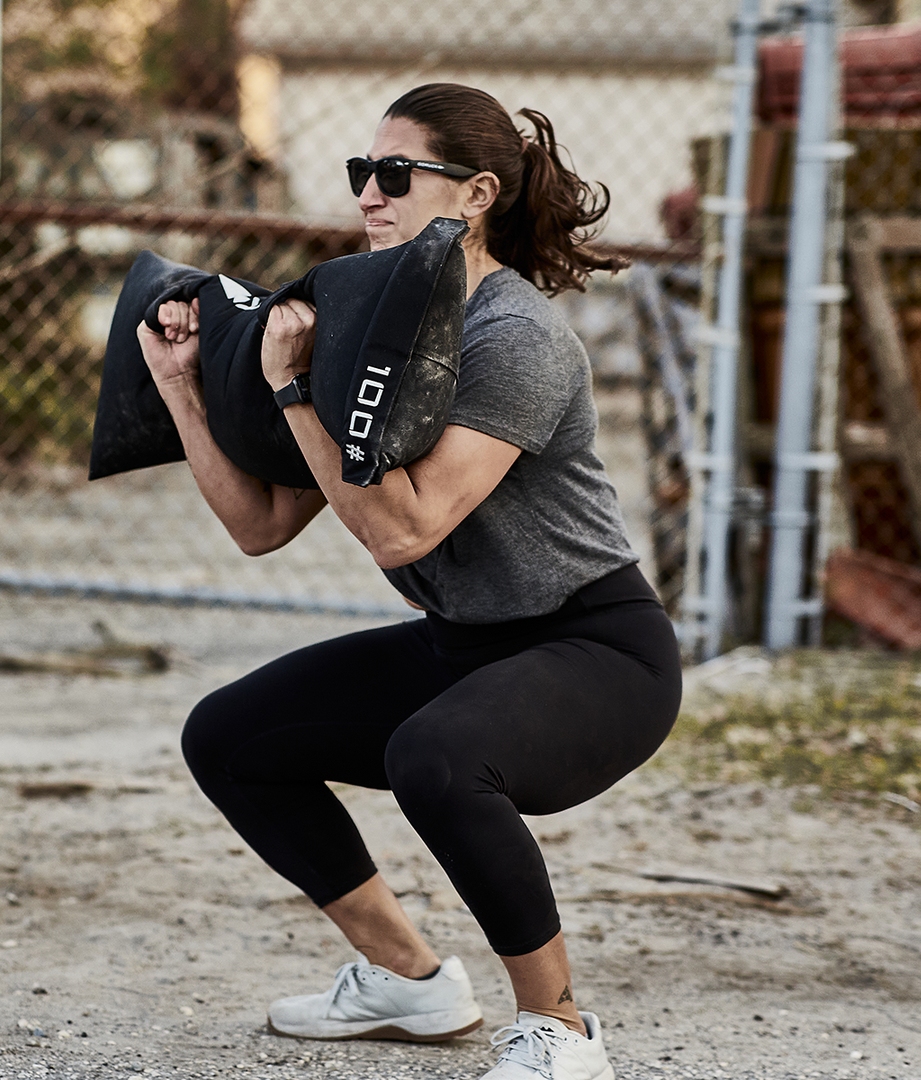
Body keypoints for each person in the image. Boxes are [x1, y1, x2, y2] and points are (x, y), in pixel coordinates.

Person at [137, 82, 681, 1080]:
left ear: (475, 194)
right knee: (229, 736)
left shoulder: (513, 338)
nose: (369, 196)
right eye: (361, 175)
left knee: (436, 754)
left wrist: (292, 386)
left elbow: (407, 526)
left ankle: (560, 1029)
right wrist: (181, 390)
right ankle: (409, 982)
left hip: (596, 648)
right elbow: (262, 525)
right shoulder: (372, 321)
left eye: (395, 175)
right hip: (465, 642)